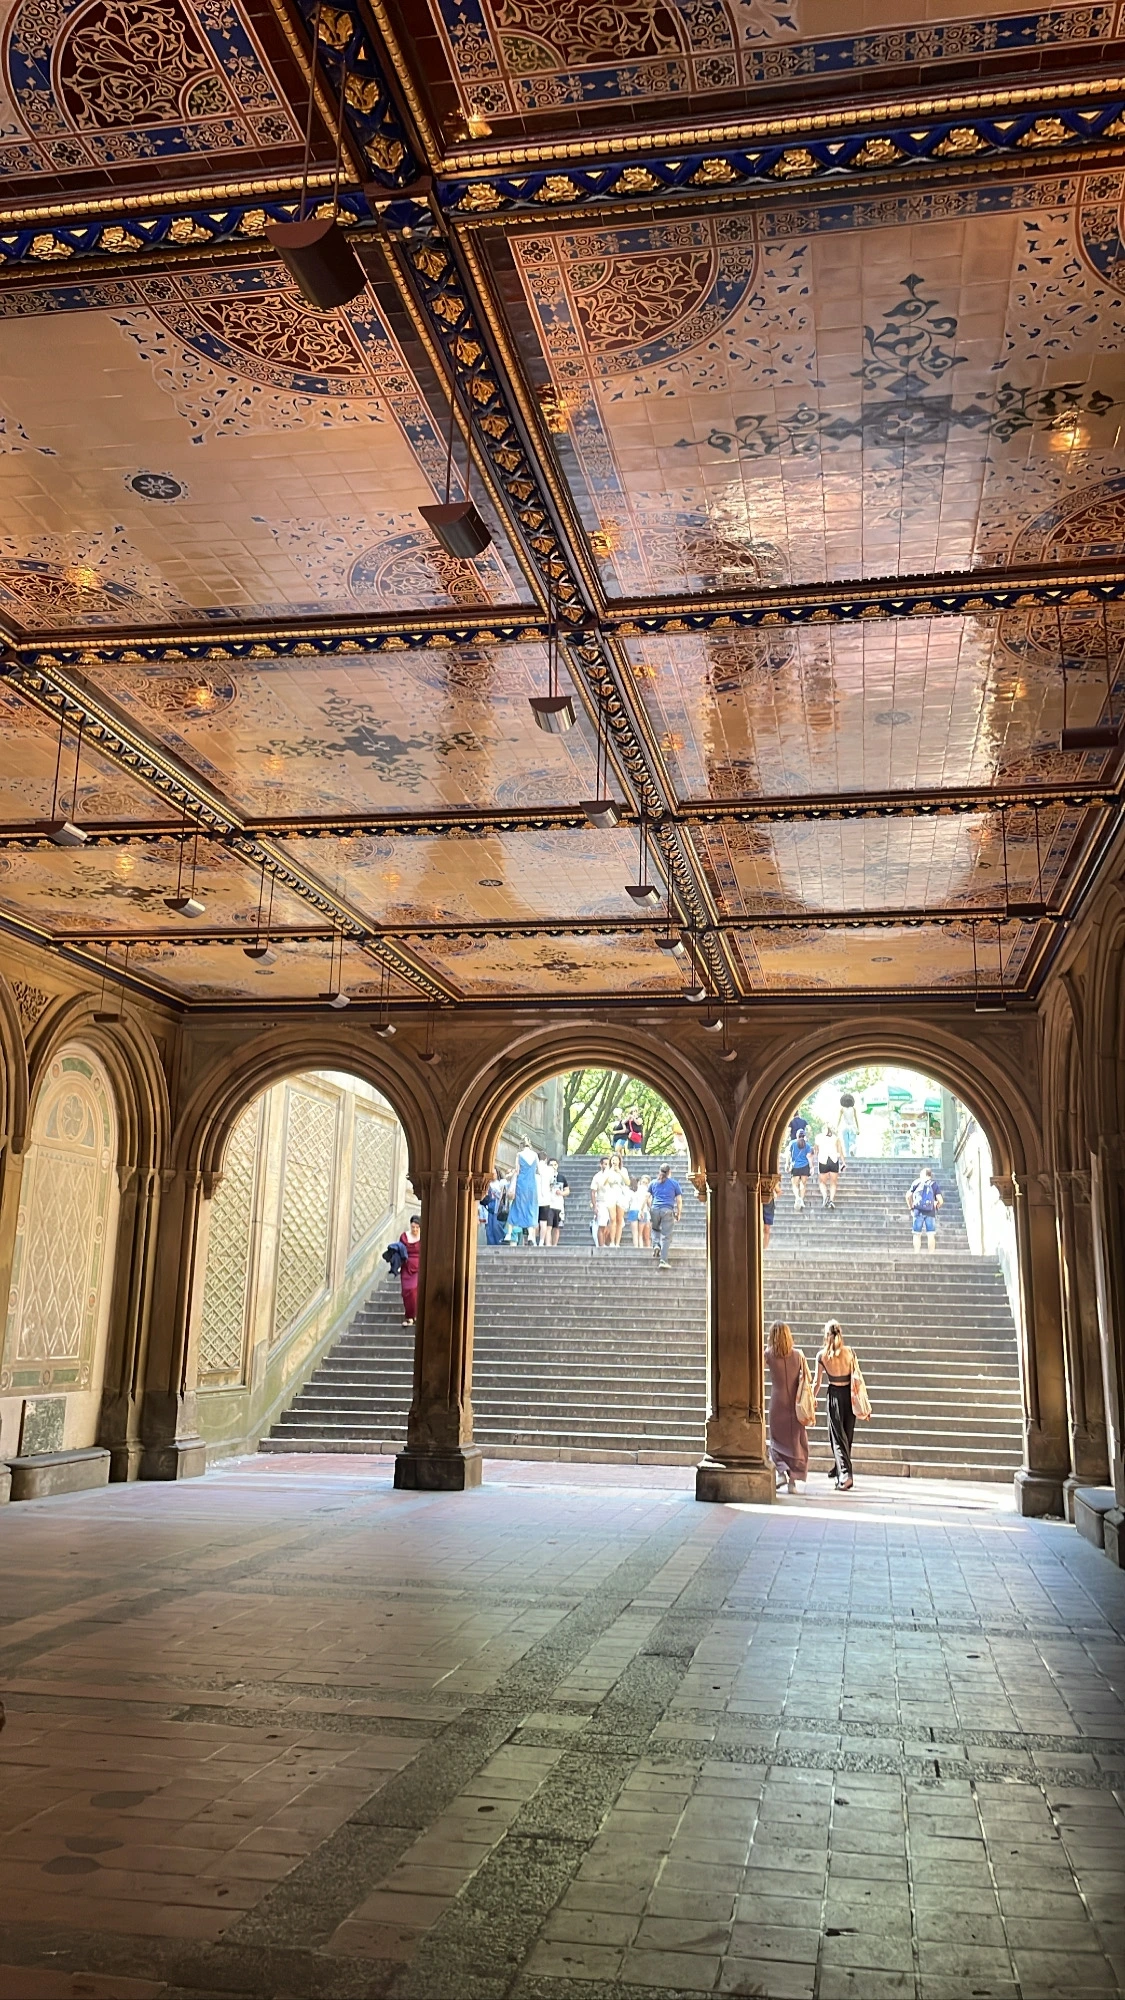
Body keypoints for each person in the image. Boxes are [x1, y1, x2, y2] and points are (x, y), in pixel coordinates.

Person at [766, 1321, 809, 1494]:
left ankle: (780, 1472)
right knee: (795, 1441)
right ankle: (792, 1482)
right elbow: (807, 1379)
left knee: (776, 1440)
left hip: (777, 1403)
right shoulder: (798, 1355)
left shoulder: (768, 1355)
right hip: (795, 1404)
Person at [815, 1320, 856, 1490]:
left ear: (826, 1336)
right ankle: (839, 1469)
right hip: (849, 1396)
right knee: (847, 1435)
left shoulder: (822, 1356)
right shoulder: (850, 1352)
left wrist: (811, 1398)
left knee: (837, 1438)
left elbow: (817, 1382)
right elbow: (857, 1377)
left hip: (834, 1396)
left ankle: (845, 1475)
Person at [650, 1163, 682, 1269]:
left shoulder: (653, 1182)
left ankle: (656, 1245)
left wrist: (643, 1210)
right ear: (669, 1172)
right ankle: (663, 1260)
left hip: (655, 1209)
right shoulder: (674, 1183)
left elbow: (647, 1196)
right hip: (667, 1210)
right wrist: (678, 1212)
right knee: (666, 1235)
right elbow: (679, 1200)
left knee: (655, 1229)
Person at [508, 1141, 540, 1245]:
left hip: (521, 1183)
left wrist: (512, 1179)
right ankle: (530, 1235)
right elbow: (538, 1170)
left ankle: (509, 1233)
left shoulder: (519, 1155)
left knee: (517, 1205)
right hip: (531, 1184)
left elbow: (517, 1171)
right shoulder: (535, 1155)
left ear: (521, 1146)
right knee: (530, 1207)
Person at [907, 1165, 943, 1252]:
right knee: (931, 1234)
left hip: (918, 1211)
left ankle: (916, 1253)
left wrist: (911, 1207)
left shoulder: (916, 1182)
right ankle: (931, 1254)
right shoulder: (933, 1184)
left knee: (916, 1234)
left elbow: (908, 1196)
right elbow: (941, 1200)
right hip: (930, 1212)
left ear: (923, 1174)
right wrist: (937, 1205)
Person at [398, 1214, 421, 1325]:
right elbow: (400, 1251)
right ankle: (409, 1316)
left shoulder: (423, 1237)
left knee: (414, 1291)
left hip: (418, 1267)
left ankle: (414, 1315)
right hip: (406, 1267)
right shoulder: (404, 1237)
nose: (415, 1229)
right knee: (406, 1291)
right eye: (413, 1227)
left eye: (417, 1227)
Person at [590, 1155, 613, 1247]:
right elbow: (593, 1192)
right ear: (601, 1165)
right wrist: (594, 1206)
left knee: (612, 1225)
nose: (606, 1166)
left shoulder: (613, 1174)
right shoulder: (597, 1177)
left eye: (608, 1164)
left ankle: (609, 1243)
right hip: (602, 1202)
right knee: (602, 1225)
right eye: (605, 1164)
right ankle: (601, 1246)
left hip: (612, 1202)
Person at [544, 1160, 569, 1247]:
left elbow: (567, 1190)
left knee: (557, 1227)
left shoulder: (561, 1178)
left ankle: (554, 1245)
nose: (553, 1167)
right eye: (551, 1165)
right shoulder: (545, 1177)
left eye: (555, 1165)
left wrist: (562, 1193)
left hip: (559, 1205)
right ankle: (548, 1244)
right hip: (548, 1204)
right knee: (548, 1226)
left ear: (557, 1166)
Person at [817, 1127, 842, 1209]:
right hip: (834, 1160)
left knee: (822, 1182)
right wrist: (843, 1162)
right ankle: (831, 1200)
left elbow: (816, 1149)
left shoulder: (819, 1137)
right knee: (833, 1182)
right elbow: (840, 1150)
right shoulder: (835, 1138)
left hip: (823, 1160)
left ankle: (825, 1196)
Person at [483, 1164, 508, 1246]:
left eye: (494, 1173)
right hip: (489, 1209)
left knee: (496, 1227)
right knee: (489, 1230)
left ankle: (500, 1244)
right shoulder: (487, 1184)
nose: (493, 1175)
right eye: (492, 1173)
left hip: (498, 1209)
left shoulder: (501, 1183)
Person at [788, 1126, 812, 1209]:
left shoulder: (792, 1143)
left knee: (795, 1184)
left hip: (795, 1166)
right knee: (803, 1184)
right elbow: (809, 1157)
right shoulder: (807, 1145)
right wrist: (811, 1167)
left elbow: (789, 1155)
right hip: (805, 1166)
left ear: (797, 1135)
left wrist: (787, 1164)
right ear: (804, 1135)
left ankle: (797, 1197)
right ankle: (801, 1200)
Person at [535, 1151, 555, 1247]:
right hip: (546, 1198)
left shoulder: (534, 1168)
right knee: (543, 1221)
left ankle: (533, 1239)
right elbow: (552, 1183)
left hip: (535, 1197)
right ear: (546, 1159)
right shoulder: (550, 1170)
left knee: (535, 1220)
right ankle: (541, 1241)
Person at [626, 1175, 651, 1248]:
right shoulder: (647, 1190)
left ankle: (636, 1247)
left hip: (634, 1209)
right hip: (643, 1211)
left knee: (635, 1233)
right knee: (640, 1234)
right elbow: (649, 1203)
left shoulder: (635, 1189)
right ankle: (641, 1248)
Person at [838, 1094, 859, 1159]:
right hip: (852, 1127)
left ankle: (847, 1157)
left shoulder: (842, 1109)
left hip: (844, 1127)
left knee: (846, 1143)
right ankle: (852, 1150)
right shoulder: (853, 1109)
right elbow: (856, 1119)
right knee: (852, 1141)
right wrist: (858, 1128)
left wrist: (837, 1127)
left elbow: (839, 1119)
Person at [761, 1177, 777, 1250]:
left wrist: (774, 1194)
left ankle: (765, 1247)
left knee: (766, 1228)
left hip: (768, 1205)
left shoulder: (772, 1182)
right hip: (759, 1203)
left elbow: (778, 1191)